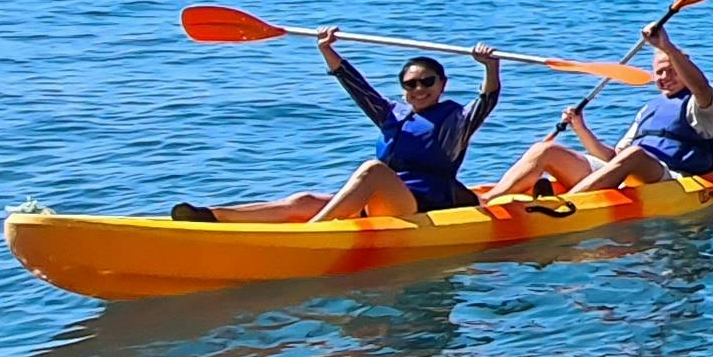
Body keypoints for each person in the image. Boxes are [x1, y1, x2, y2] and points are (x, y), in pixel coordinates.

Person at [176, 33, 502, 223]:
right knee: (302, 200)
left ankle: (313, 233)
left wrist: (490, 67)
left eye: (427, 82)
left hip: (421, 206)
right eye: (410, 84)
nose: (419, 89)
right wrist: (327, 49)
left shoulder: (455, 121)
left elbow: (486, 99)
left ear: (442, 84)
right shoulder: (391, 114)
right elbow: (356, 85)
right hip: (381, 201)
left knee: (372, 170)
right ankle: (214, 217)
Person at [488, 28, 713, 199]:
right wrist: (580, 128)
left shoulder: (703, 100)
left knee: (634, 154)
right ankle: (489, 201)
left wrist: (666, 47)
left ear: (684, 69)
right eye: (659, 72)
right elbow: (612, 158)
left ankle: (567, 204)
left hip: (672, 178)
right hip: (627, 173)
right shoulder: (648, 109)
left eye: (672, 70)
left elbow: (699, 86)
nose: (665, 77)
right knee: (545, 150)